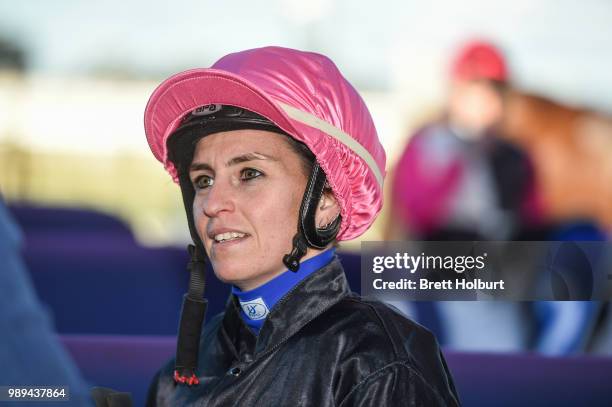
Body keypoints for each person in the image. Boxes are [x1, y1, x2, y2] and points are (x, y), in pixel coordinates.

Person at [143, 47, 459, 406]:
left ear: (326, 201)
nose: (213, 204)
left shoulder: (378, 363)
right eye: (203, 180)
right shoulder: (181, 372)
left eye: (249, 174)